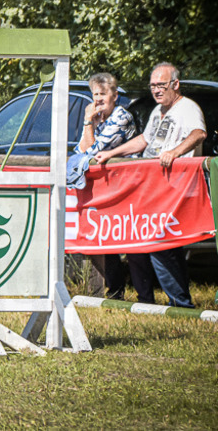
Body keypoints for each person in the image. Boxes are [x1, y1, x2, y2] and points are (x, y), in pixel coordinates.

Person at [97, 62, 206, 308]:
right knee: (154, 244)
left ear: (175, 85)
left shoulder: (187, 108)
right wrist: (111, 153)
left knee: (161, 243)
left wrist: (175, 152)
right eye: (153, 85)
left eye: (161, 85)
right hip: (154, 187)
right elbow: (145, 140)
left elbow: (199, 133)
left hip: (177, 190)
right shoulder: (158, 111)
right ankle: (159, 301)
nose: (156, 90)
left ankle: (181, 305)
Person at [72, 72, 136, 299]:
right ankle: (110, 291)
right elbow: (79, 151)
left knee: (130, 245)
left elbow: (90, 153)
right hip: (104, 188)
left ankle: (143, 295)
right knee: (103, 237)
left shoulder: (122, 117)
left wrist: (88, 121)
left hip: (128, 187)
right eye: (95, 94)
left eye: (103, 94)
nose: (98, 99)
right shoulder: (98, 118)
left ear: (115, 96)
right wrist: (90, 123)